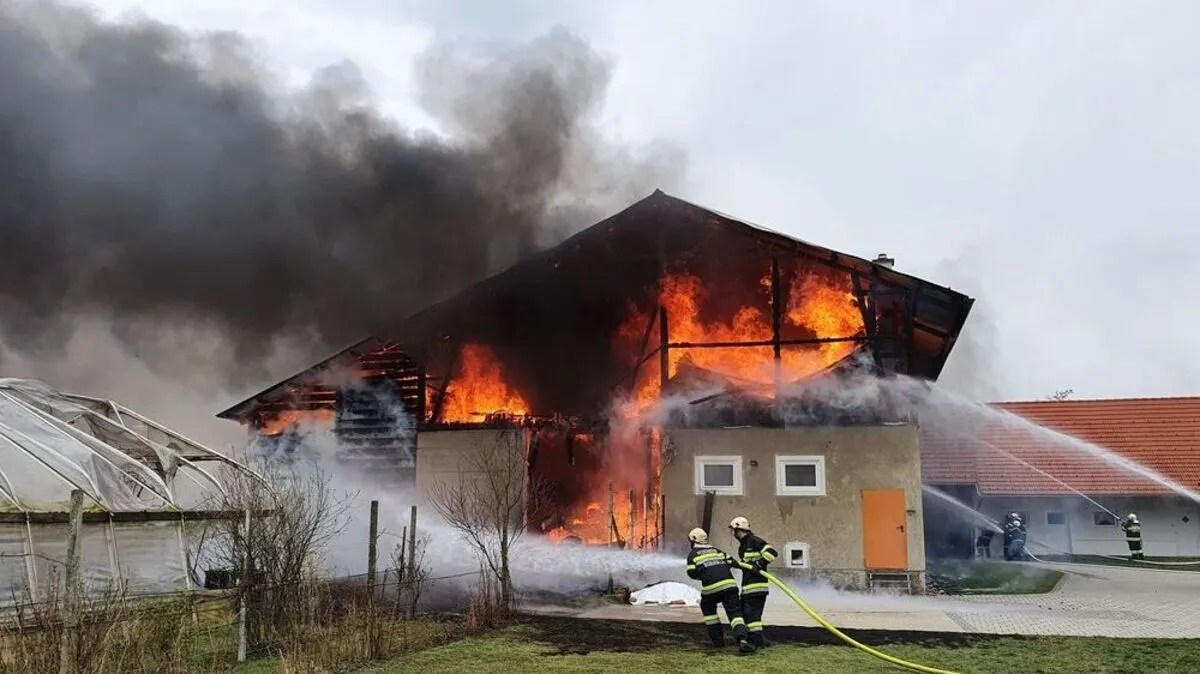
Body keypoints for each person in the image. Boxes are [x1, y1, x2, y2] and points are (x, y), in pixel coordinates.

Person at [685, 527, 755, 653]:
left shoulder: (692, 554)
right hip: (730, 586)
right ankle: (743, 640)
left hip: (711, 589)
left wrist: (703, 574)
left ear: (693, 540)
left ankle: (718, 642)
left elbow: (691, 573)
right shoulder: (717, 551)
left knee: (708, 610)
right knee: (735, 614)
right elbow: (733, 562)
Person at [729, 516, 778, 648]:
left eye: (733, 530)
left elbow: (772, 553)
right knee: (748, 616)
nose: (732, 534)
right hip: (747, 587)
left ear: (738, 529)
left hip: (757, 587)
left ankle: (757, 640)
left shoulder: (755, 541)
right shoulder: (743, 546)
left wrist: (759, 564)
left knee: (752, 617)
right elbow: (747, 566)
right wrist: (735, 564)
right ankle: (755, 639)